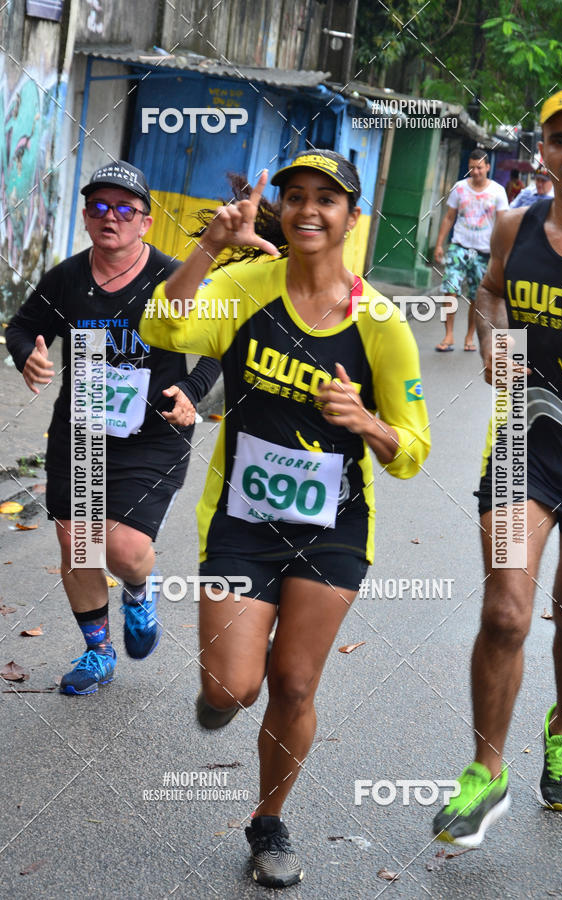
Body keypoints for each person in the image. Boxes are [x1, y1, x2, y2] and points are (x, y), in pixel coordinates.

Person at [140, 149, 430, 888]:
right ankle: (218, 695)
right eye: (295, 195)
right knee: (233, 688)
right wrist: (209, 245)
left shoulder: (382, 325)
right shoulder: (244, 287)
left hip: (333, 530)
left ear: (351, 218)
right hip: (242, 520)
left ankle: (267, 821)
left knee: (296, 685)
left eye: (326, 199)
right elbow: (163, 328)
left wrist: (368, 422)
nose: (307, 209)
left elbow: (413, 449)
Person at [432, 84, 562, 848]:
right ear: (543, 150)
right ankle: (485, 773)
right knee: (505, 611)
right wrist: (496, 341)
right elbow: (491, 298)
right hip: (523, 450)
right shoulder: (510, 224)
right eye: (561, 140)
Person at [6, 160, 220, 695]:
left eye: (126, 208)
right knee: (77, 543)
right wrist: (25, 359)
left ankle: (140, 592)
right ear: (86, 216)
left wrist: (191, 394)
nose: (112, 217)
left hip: (152, 436)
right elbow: (24, 327)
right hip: (81, 431)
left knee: (123, 551)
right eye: (100, 207)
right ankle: (98, 652)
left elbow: (222, 349)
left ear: (145, 223)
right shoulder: (67, 278)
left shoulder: (173, 278)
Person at [433, 148, 508, 352]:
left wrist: (500, 255)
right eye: (471, 168)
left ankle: (469, 336)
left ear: (487, 167)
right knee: (450, 290)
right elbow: (449, 217)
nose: (475, 172)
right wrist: (440, 243)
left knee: (476, 296)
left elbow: (502, 224)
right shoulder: (459, 188)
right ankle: (448, 335)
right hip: (459, 246)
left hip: (484, 252)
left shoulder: (498, 192)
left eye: (479, 168)